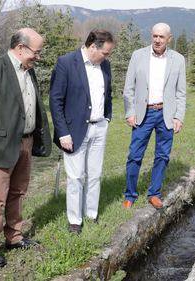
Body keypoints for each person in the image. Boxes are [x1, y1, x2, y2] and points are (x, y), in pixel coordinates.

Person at [0, 28, 52, 269]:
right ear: (20, 48)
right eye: (36, 52)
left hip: (26, 142)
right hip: (2, 144)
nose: (38, 56)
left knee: (18, 192)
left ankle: (14, 237)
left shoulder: (30, 70)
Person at [49, 29, 115, 235]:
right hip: (74, 131)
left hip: (99, 127)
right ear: (93, 46)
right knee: (76, 177)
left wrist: (107, 117)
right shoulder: (67, 63)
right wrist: (62, 132)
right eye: (105, 52)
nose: (107, 57)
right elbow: (55, 100)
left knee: (95, 175)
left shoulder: (105, 65)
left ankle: (91, 214)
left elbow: (108, 94)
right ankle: (75, 221)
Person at [123, 23, 186, 209]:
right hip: (143, 113)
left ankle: (154, 193)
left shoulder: (178, 59)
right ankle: (130, 195)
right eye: (155, 36)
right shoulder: (138, 55)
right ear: (151, 36)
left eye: (162, 37)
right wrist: (130, 112)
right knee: (135, 155)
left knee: (163, 156)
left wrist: (178, 117)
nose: (157, 40)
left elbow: (181, 92)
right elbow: (129, 89)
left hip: (166, 113)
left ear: (169, 38)